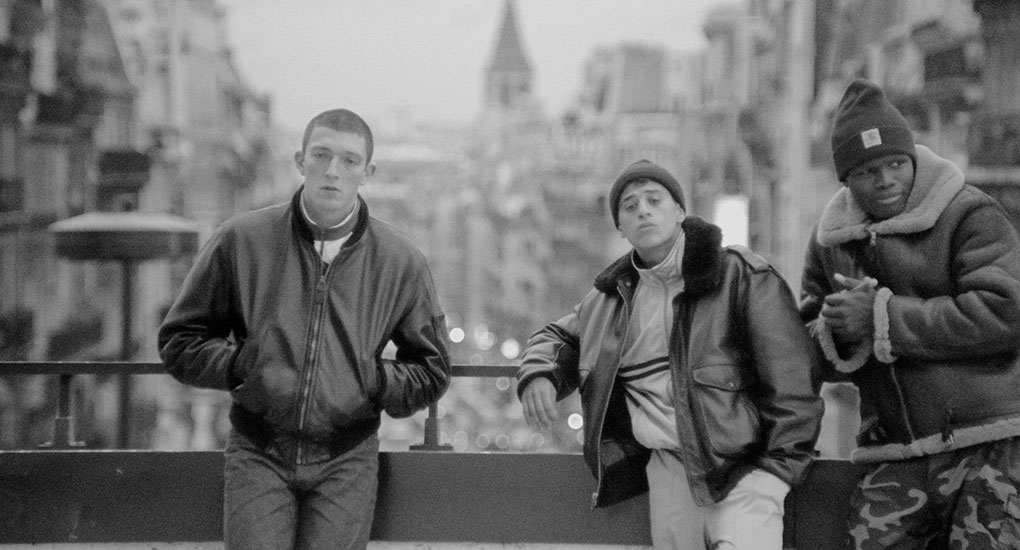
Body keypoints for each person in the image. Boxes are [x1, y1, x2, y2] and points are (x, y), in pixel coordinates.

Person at [158, 108, 451, 550]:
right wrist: (242, 366)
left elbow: (432, 369)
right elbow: (179, 341)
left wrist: (371, 381)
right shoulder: (240, 239)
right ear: (300, 161)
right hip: (258, 449)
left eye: (349, 160)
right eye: (321, 155)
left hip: (347, 457)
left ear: (367, 173)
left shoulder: (400, 261)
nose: (333, 170)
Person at [517, 159, 823, 550]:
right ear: (620, 228)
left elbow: (793, 375)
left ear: (679, 211)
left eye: (654, 200)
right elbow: (557, 335)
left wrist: (775, 472)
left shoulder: (739, 275)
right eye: (630, 206)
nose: (643, 211)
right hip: (669, 467)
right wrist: (540, 373)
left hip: (743, 467)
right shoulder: (609, 301)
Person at [800, 78, 1020, 550]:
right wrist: (839, 331)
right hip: (892, 450)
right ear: (846, 180)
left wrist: (883, 317)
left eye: (896, 164)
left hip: (989, 443)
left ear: (913, 160)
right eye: (867, 171)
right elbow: (805, 344)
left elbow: (1006, 313)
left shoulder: (970, 214)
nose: (885, 180)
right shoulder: (831, 241)